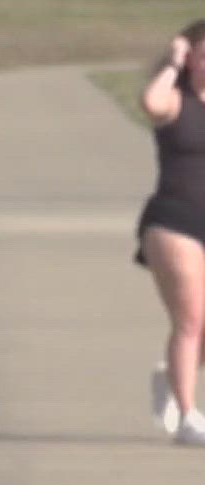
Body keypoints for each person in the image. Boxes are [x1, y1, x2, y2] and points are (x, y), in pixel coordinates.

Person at [137, 18, 205, 444]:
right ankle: (188, 417)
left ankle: (170, 377)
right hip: (174, 220)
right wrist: (173, 62)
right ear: (193, 59)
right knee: (191, 319)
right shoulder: (175, 101)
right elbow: (149, 102)